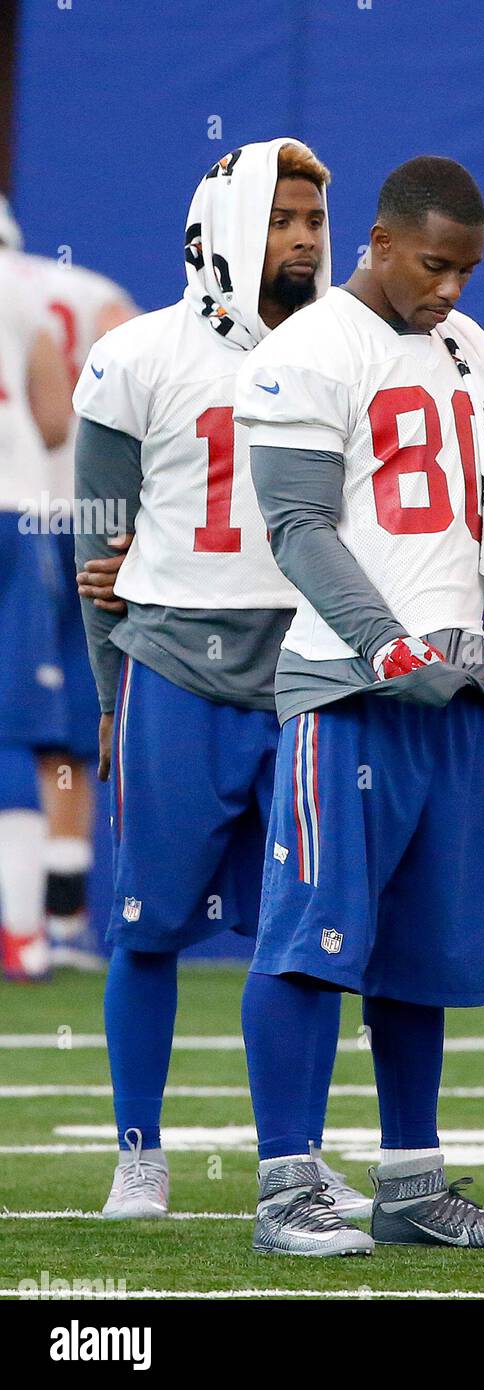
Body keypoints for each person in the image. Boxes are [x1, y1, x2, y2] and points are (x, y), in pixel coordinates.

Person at [235, 155, 484, 1256]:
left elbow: (464, 510)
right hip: (349, 687)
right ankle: (287, 1190)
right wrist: (385, 642)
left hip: (454, 681)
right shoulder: (309, 345)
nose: (451, 286)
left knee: (428, 952)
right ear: (381, 241)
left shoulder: (471, 346)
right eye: (434, 263)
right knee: (311, 939)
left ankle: (410, 1184)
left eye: (469, 268)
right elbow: (299, 524)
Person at [73, 139, 367, 1221]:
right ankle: (139, 1150)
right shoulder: (137, 354)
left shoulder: (351, 349)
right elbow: (97, 544)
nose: (304, 239)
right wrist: (109, 696)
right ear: (220, 231)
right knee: (147, 924)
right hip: (175, 667)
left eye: (313, 221)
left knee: (307, 933)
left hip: (306, 671)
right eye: (282, 218)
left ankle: (293, 1156)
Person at [13, 228, 138, 967]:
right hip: (81, 517)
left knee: (17, 723)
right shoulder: (90, 290)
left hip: (21, 515)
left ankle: (24, 918)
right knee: (74, 718)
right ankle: (61, 917)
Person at [0, 198, 72, 981]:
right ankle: (24, 929)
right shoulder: (24, 289)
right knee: (11, 727)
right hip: (15, 509)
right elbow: (54, 420)